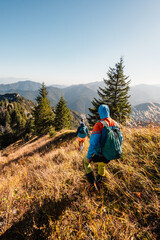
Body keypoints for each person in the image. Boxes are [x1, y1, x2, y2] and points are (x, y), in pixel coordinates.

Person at [83, 104, 123, 190]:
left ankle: (92, 184)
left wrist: (89, 157)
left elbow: (93, 144)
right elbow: (121, 139)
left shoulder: (99, 125)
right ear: (108, 112)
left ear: (100, 113)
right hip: (110, 155)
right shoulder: (116, 123)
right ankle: (99, 182)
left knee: (85, 161)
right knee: (102, 164)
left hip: (100, 154)